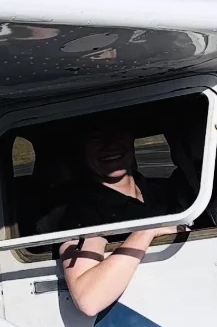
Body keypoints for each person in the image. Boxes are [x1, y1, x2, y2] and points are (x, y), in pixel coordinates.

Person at [50, 120, 184, 316]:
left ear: (131, 138)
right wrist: (148, 229)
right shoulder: (83, 212)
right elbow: (89, 299)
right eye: (97, 138)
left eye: (117, 133)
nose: (110, 144)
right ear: (82, 150)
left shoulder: (163, 189)